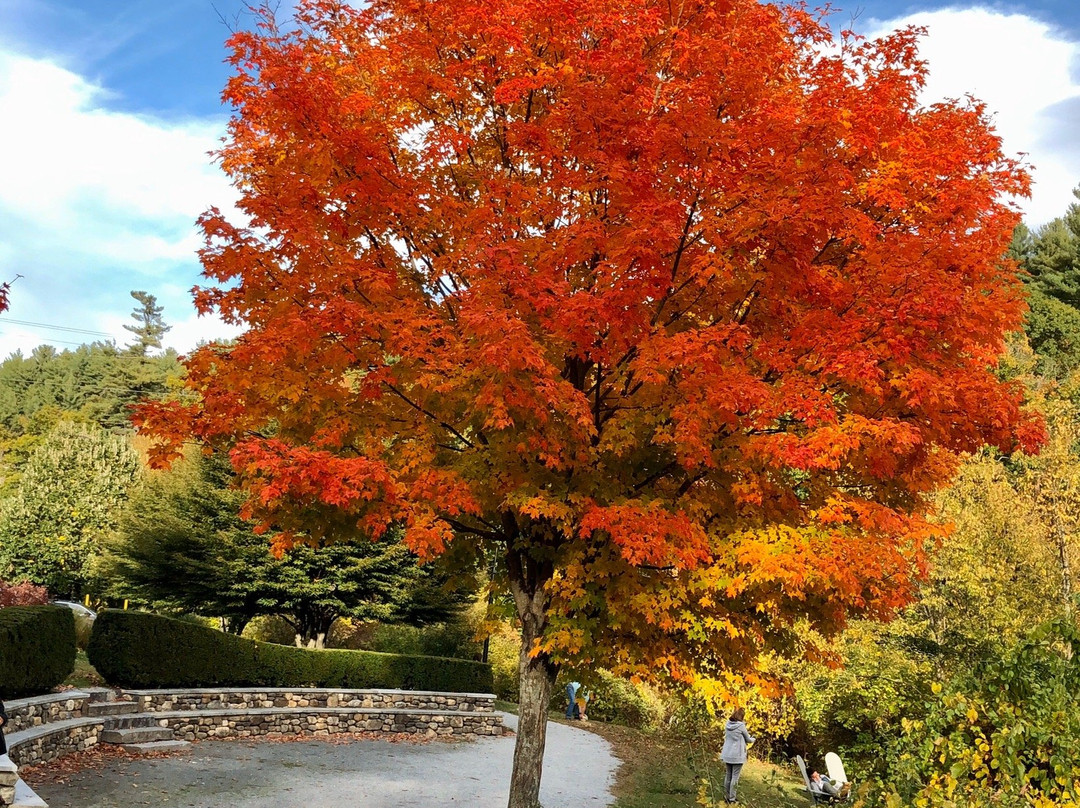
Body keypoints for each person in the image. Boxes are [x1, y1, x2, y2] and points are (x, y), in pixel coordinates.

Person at [720, 707, 754, 803]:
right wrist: (754, 739)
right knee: (735, 777)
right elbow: (748, 739)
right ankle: (732, 799)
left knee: (728, 775)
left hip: (727, 753)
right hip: (737, 755)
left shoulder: (727, 724)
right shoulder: (741, 726)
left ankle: (726, 796)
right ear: (742, 716)